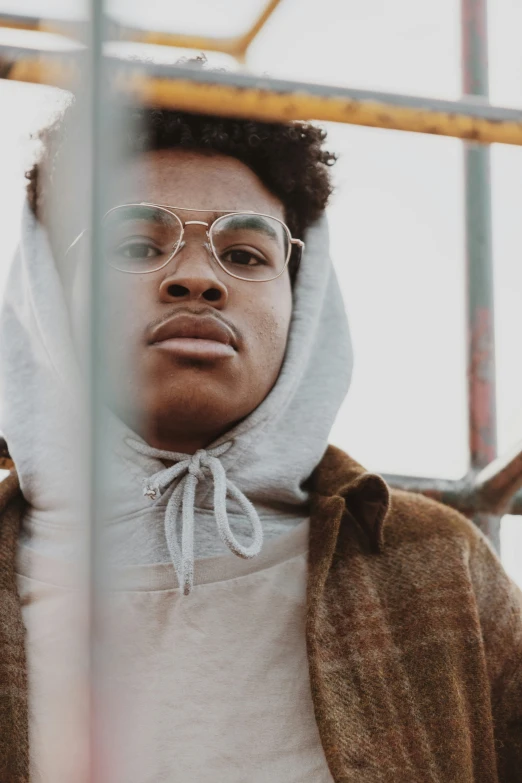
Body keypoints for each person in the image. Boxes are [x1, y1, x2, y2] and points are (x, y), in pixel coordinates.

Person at [0, 83, 521, 783]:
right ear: (47, 291)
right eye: (133, 244)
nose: (195, 277)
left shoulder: (436, 566)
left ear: (301, 298)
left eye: (245, 255)